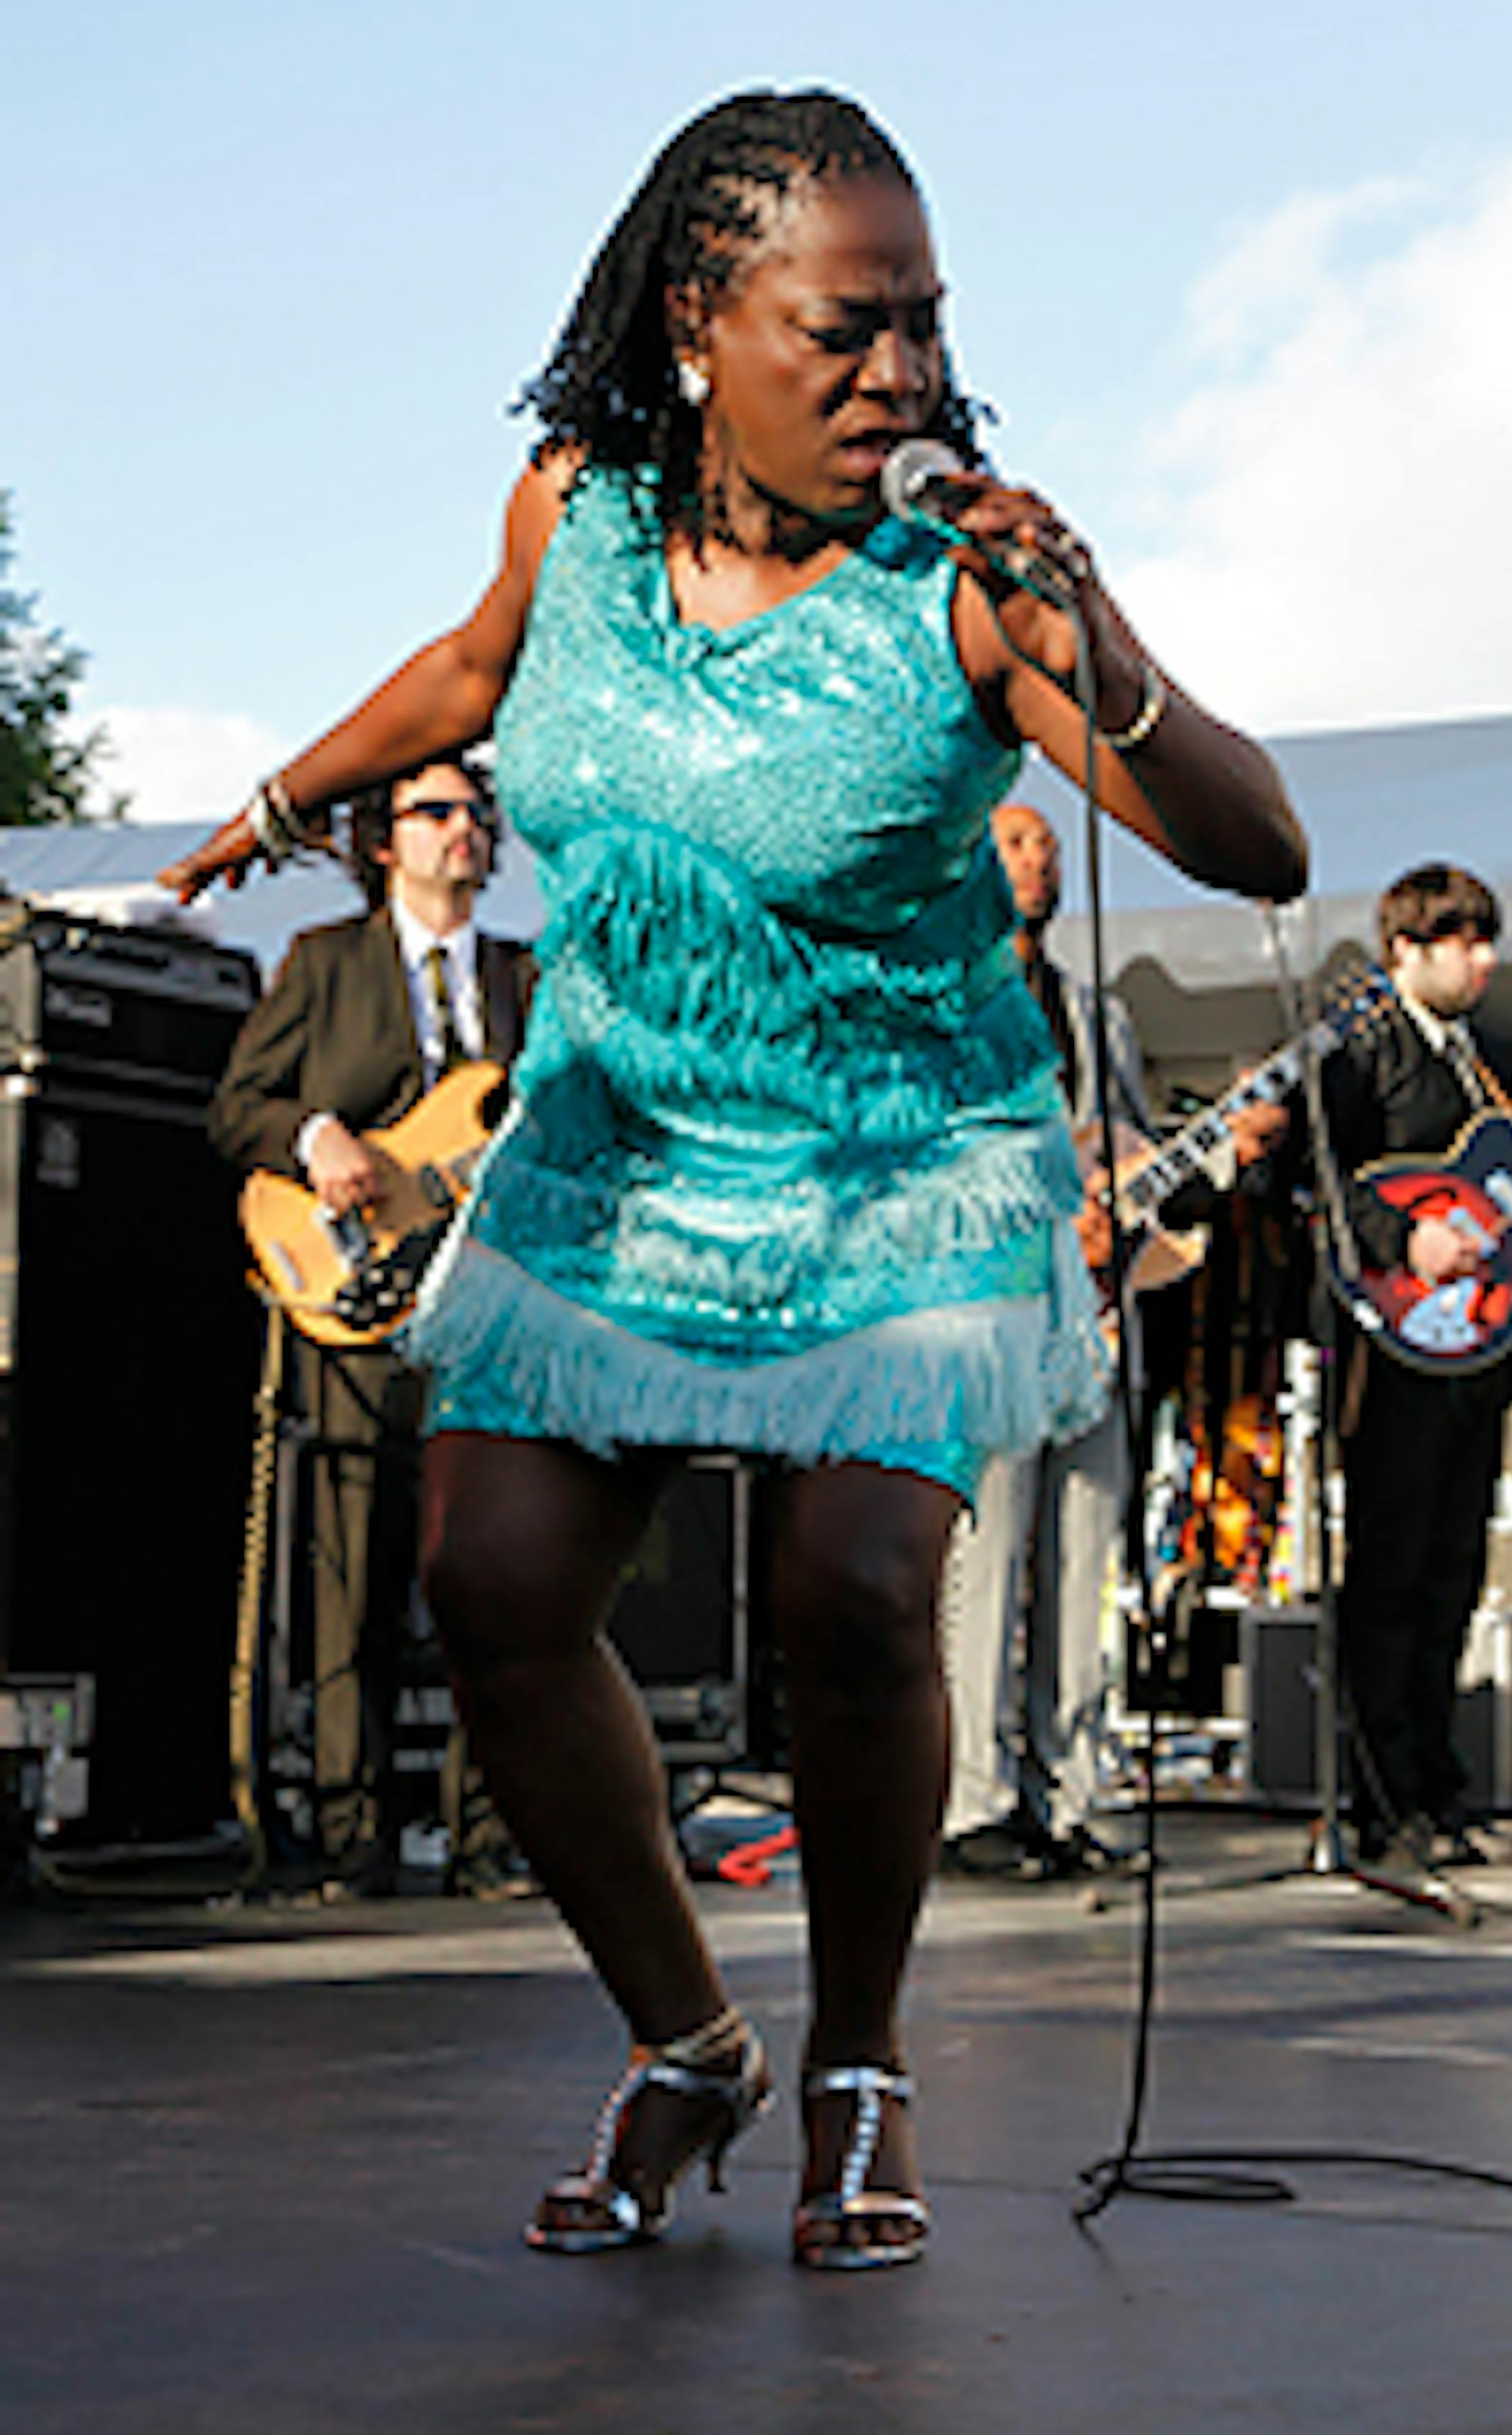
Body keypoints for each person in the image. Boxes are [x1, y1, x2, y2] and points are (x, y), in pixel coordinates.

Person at [162, 88, 1305, 2271]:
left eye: (927, 330)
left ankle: (861, 2061)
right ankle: (691, 2040)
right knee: (490, 1586)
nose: (904, 378)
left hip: (895, 1150)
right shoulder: (574, 509)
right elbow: (477, 672)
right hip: (626, 1128)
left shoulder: (965, 591)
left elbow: (1257, 847)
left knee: (858, 1596)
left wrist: (1097, 620)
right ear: (701, 318)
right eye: (848, 329)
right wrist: (273, 795)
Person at [207, 753, 536, 1895]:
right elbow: (237, 1106)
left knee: (490, 1580)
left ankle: (491, 1836)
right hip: (349, 1304)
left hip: (483, 1310)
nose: (467, 829)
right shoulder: (323, 965)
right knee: (352, 1578)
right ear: (382, 842)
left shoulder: (525, 981)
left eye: (478, 813)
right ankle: (355, 1836)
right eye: (438, 811)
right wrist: (317, 1139)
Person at [941, 803, 1289, 1871]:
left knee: (1087, 1553)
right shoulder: (945, 1004)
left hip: (1091, 1323)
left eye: (1047, 846)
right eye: (1014, 844)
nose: (1038, 861)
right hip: (994, 1314)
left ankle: (1073, 1792)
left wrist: (1218, 1153)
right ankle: (975, 1803)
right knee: (991, 1559)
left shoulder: (1099, 1015)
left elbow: (1139, 1179)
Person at [1320, 862, 1512, 1885]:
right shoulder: (1363, 1047)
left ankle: (1435, 1783)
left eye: (1487, 939)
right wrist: (1405, 1238)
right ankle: (1382, 1793)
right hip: (1392, 1345)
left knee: (1452, 1571)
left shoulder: (1480, 1060)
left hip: (1473, 1354)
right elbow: (1311, 1179)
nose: (1485, 959)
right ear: (1406, 947)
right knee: (1392, 1569)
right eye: (1464, 940)